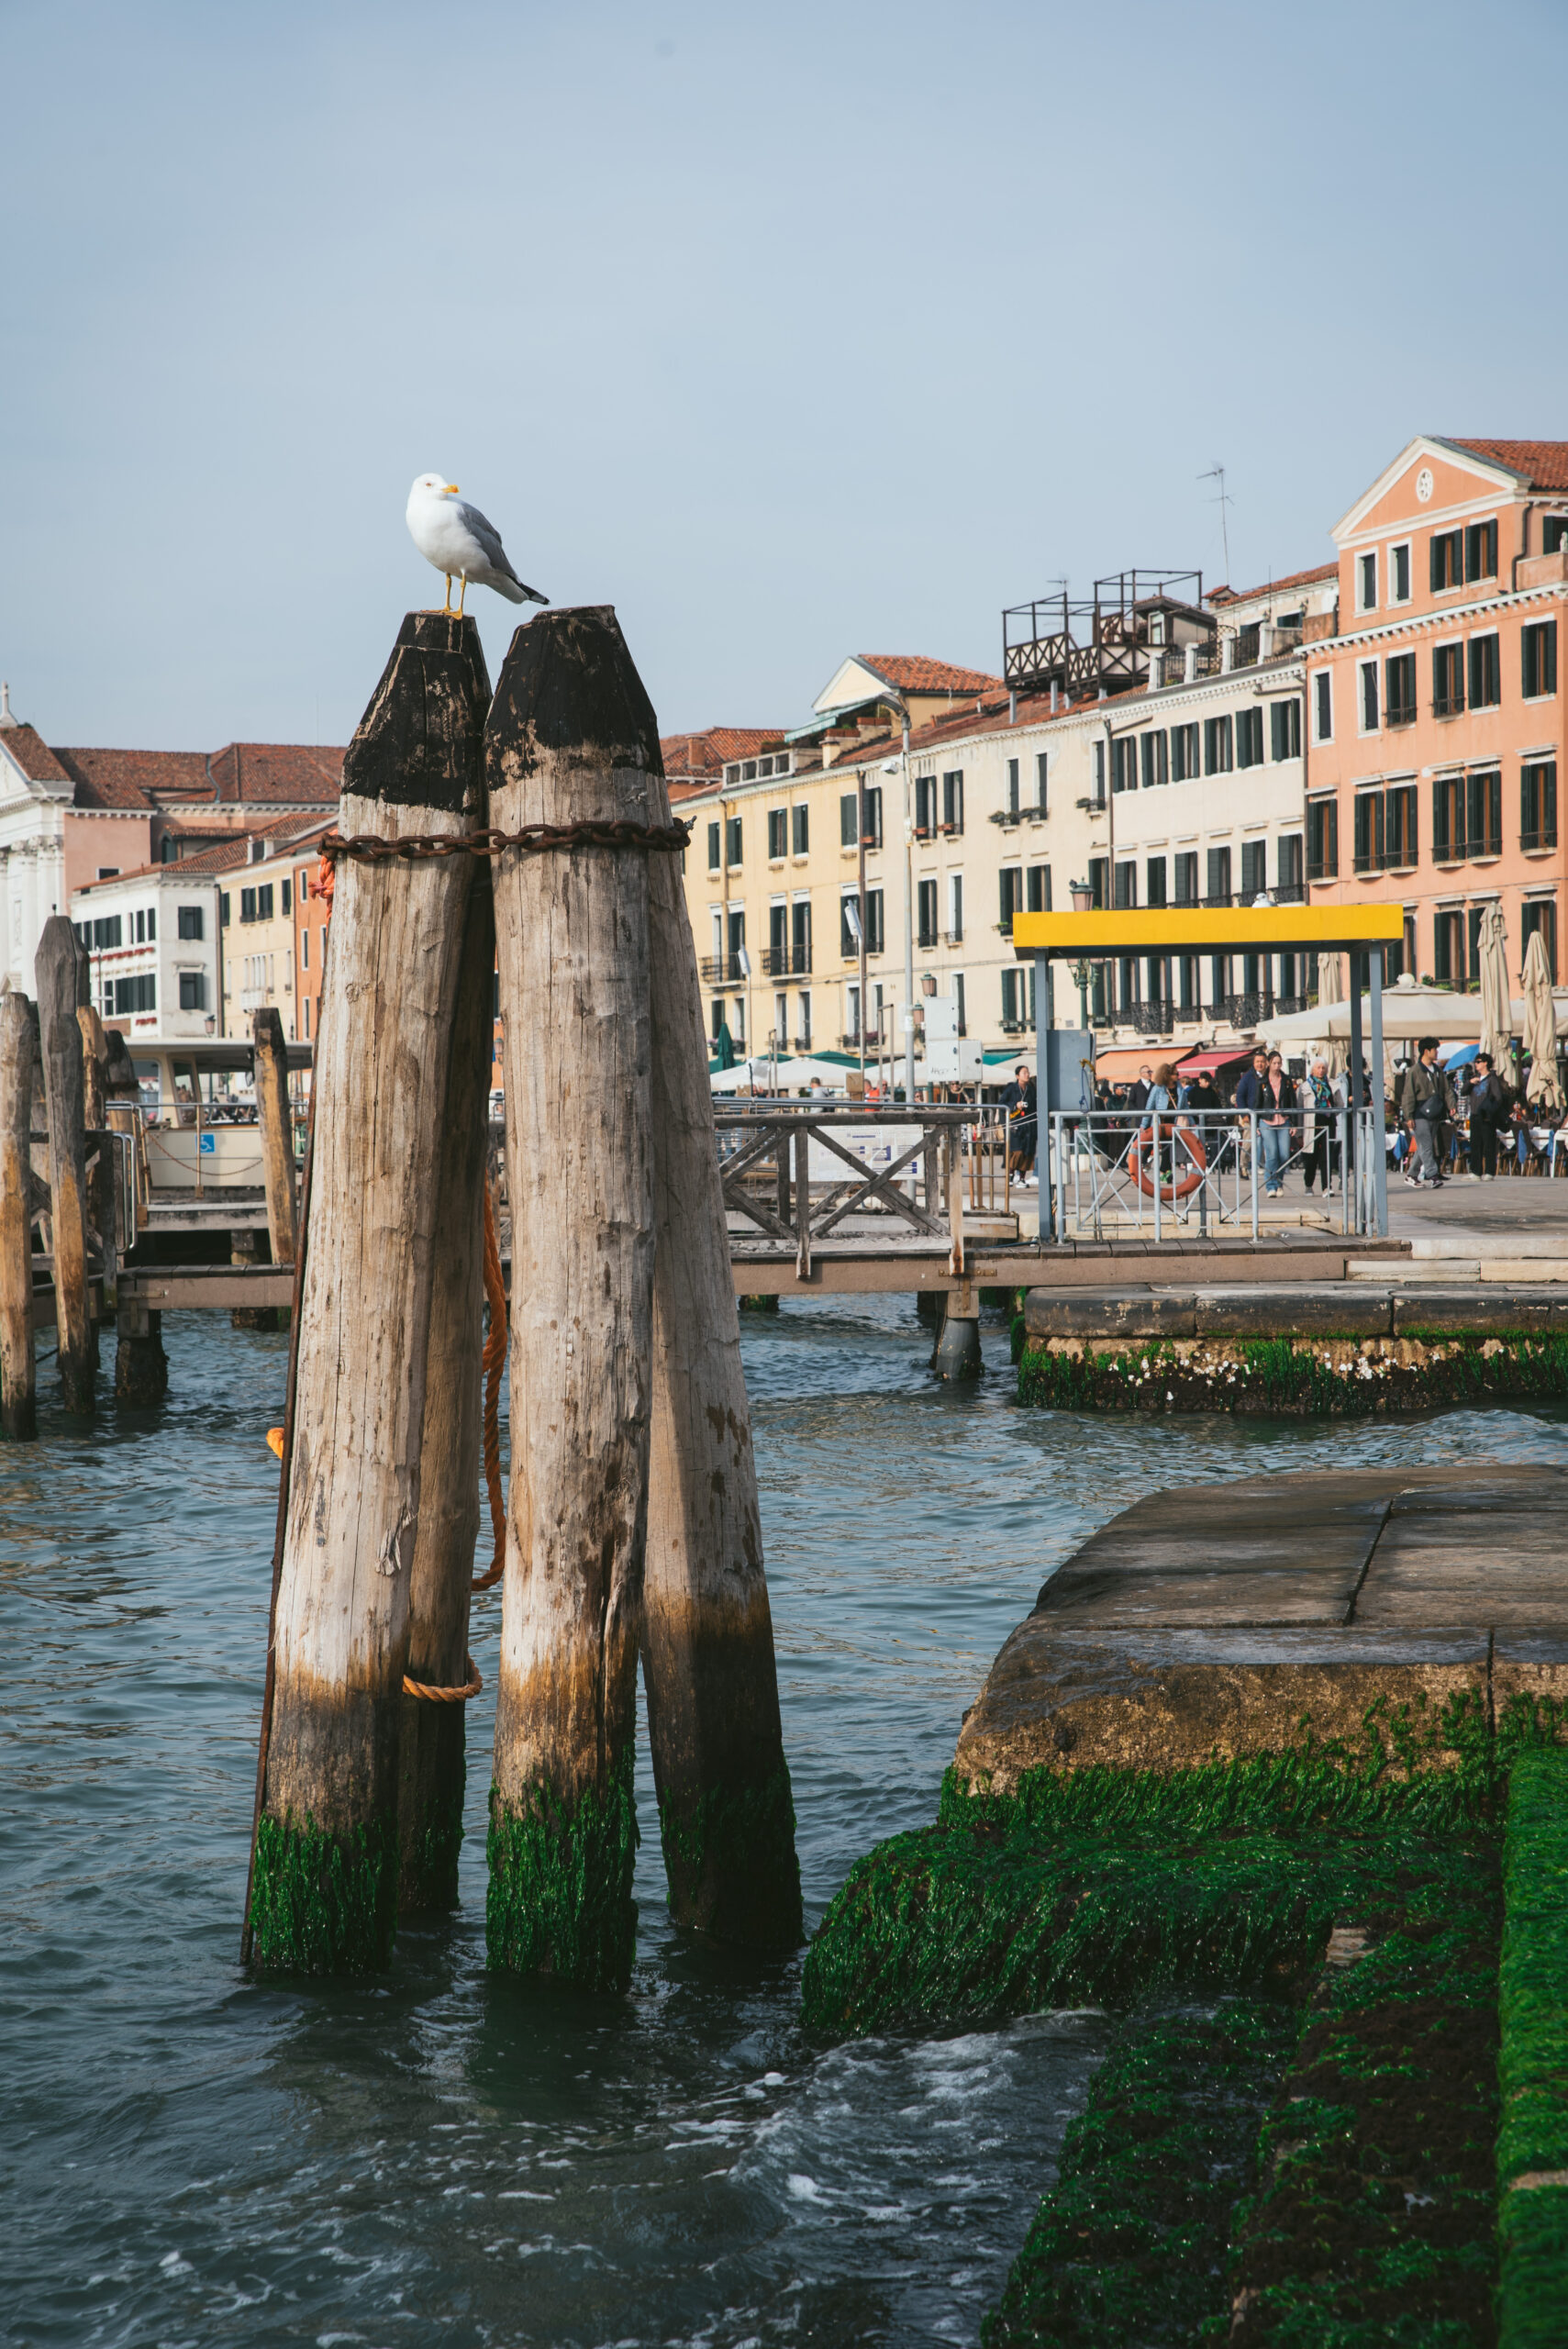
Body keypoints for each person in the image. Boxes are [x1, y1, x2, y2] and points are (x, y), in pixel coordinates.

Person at [1399, 1036, 1452, 1188]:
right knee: (1427, 1145)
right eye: (1435, 1049)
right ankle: (1433, 1175)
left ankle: (1411, 1174)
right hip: (1419, 1114)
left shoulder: (1437, 1070)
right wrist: (1409, 1116)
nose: (1437, 1052)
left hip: (1435, 1113)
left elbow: (1447, 1089)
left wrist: (1451, 1105)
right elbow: (1408, 1094)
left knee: (1423, 1147)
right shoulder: (1415, 1071)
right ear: (1426, 1051)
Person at [1258, 1050, 1296, 1197]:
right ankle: (1271, 1186)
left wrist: (1294, 1123)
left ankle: (1279, 1182)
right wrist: (1256, 1124)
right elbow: (1257, 1103)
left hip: (1284, 1120)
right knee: (1272, 1154)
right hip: (1267, 1121)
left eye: (1279, 1063)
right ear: (1269, 1063)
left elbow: (1292, 1102)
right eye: (1274, 1063)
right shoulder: (1262, 1082)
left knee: (1284, 1155)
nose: (1277, 1066)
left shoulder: (1286, 1081)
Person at [1466, 1052, 1508, 1179]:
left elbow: (1498, 1098)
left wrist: (1489, 1110)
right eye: (1475, 1061)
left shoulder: (1492, 1079)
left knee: (1489, 1144)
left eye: (1478, 1061)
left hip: (1486, 1116)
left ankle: (1489, 1172)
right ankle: (1475, 1171)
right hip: (1474, 1115)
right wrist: (1470, 1082)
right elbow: (1463, 1091)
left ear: (1485, 1063)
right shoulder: (1475, 1078)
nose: (1476, 1064)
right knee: (1475, 1144)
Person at [1300, 1056, 1336, 1193]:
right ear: (1313, 1070)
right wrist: (1298, 1132)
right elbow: (1299, 1108)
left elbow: (1339, 1103)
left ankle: (1326, 1187)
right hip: (1311, 1124)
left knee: (1326, 1156)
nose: (1321, 1070)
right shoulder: (1305, 1086)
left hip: (1327, 1122)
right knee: (1311, 1157)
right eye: (1318, 1068)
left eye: (1323, 1068)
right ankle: (1308, 1183)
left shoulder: (1332, 1085)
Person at [1003, 1063, 1037, 1180]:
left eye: (1028, 1072)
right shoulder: (1011, 1088)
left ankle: (1022, 1178)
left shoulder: (1031, 1089)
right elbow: (1002, 1103)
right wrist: (1015, 1105)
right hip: (1015, 1124)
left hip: (1029, 1124)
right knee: (1017, 1151)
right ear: (1017, 1076)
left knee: (1028, 1152)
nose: (1027, 1075)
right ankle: (1011, 1175)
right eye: (1024, 1073)